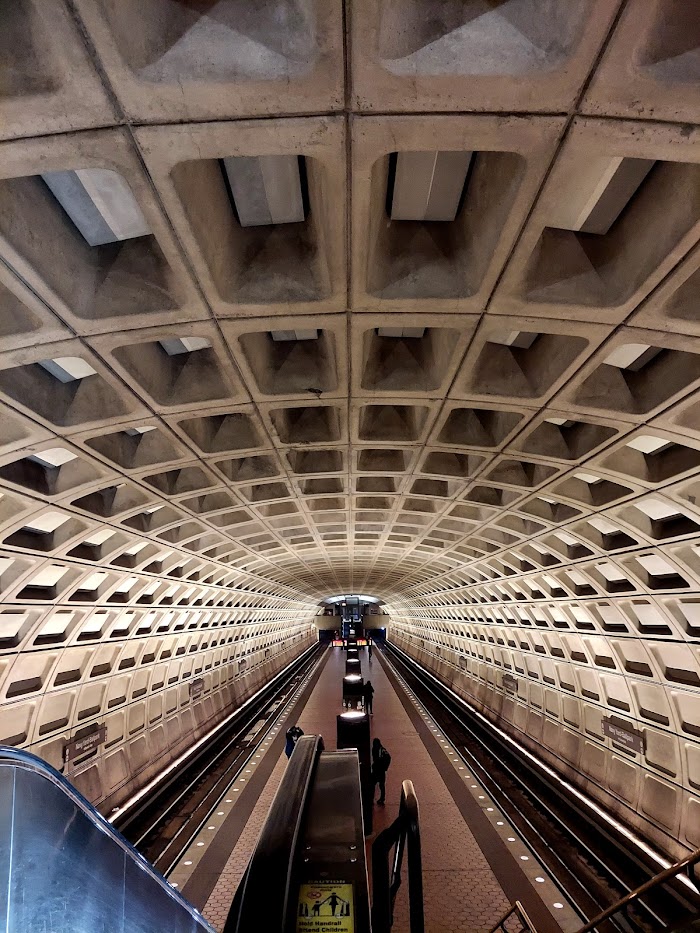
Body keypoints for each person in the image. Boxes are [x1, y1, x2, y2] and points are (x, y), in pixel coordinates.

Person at [372, 737, 391, 805]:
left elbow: (377, 760)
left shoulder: (379, 751)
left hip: (378, 770)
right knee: (381, 785)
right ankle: (382, 799)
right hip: (381, 770)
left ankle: (373, 798)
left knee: (373, 784)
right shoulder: (382, 749)